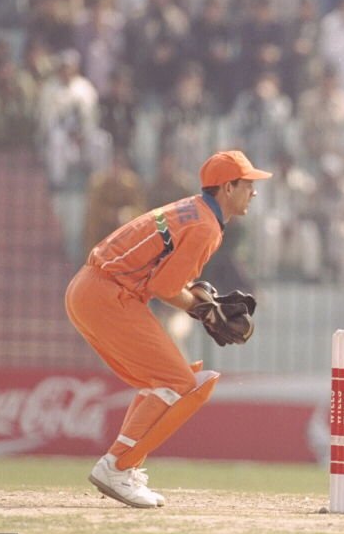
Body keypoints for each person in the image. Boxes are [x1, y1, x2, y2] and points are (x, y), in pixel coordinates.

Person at [65, 150, 272, 508]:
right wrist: (205, 310)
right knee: (182, 383)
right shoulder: (207, 226)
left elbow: (162, 277)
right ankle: (117, 466)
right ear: (228, 186)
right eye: (248, 184)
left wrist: (202, 300)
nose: (253, 192)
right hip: (109, 296)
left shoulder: (193, 209)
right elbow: (164, 288)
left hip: (89, 289)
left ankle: (122, 467)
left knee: (161, 382)